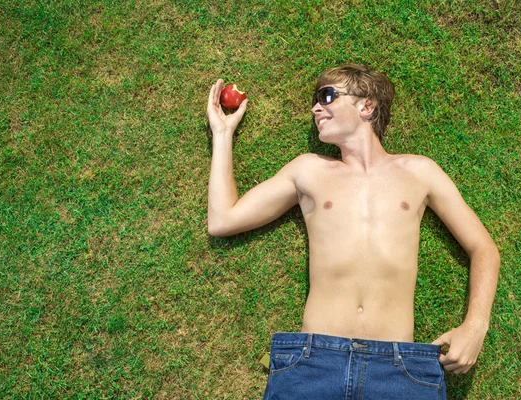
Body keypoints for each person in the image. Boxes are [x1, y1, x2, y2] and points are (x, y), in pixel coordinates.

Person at [206, 64, 500, 399]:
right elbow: (222, 220)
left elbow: (483, 248)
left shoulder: (421, 172)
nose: (316, 108)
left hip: (396, 367)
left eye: (327, 96)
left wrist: (475, 327)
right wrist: (222, 134)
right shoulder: (309, 170)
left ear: (366, 106)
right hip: (315, 362)